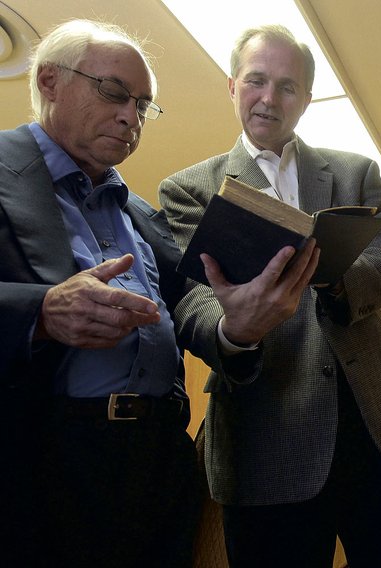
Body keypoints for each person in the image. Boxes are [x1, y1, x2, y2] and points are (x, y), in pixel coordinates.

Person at [158, 24, 381, 567]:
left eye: (288, 87)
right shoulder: (189, 188)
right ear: (232, 86)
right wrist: (233, 328)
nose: (270, 98)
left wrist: (332, 274)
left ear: (306, 99)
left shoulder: (354, 172)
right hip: (265, 434)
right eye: (257, 81)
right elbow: (192, 300)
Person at [0, 19, 201, 566]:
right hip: (46, 462)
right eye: (114, 92)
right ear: (48, 82)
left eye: (142, 105)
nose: (130, 117)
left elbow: (188, 311)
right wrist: (39, 311)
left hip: (159, 460)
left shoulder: (141, 211)